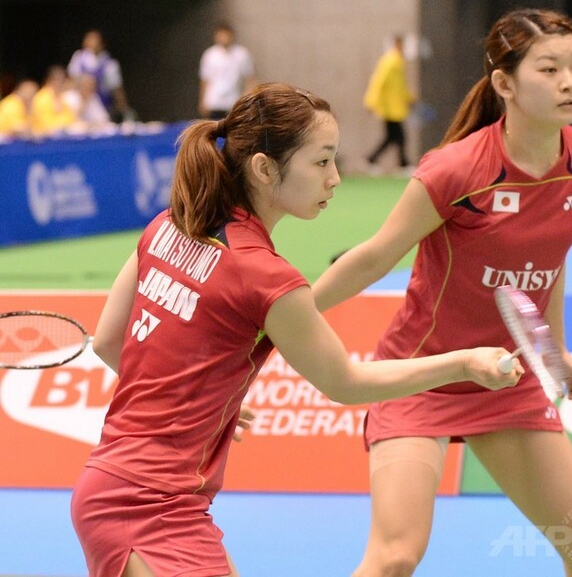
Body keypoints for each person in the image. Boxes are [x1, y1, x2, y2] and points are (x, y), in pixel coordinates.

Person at [69, 82, 522, 577]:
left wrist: (203, 399)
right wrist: (464, 363)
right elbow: (345, 383)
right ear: (265, 168)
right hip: (148, 503)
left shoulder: (166, 226)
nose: (336, 178)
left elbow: (109, 341)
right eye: (321, 161)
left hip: (118, 486)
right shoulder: (265, 276)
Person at [313, 9, 572, 576]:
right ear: (505, 83)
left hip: (506, 378)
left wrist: (554, 351)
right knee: (395, 556)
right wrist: (284, 317)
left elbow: (549, 260)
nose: (569, 83)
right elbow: (376, 256)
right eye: (549, 69)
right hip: (420, 376)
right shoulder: (457, 170)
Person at [364, 34, 414, 173]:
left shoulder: (398, 61)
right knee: (399, 136)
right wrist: (372, 101)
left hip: (396, 106)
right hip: (390, 107)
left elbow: (400, 85)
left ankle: (371, 159)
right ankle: (402, 164)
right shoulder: (390, 61)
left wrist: (408, 98)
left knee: (392, 137)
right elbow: (378, 82)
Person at [67, 29, 133, 123]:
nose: (91, 43)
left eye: (94, 41)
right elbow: (71, 81)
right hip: (80, 101)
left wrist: (124, 109)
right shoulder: (79, 58)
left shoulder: (109, 64)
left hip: (101, 103)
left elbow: (117, 89)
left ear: (101, 44)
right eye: (88, 40)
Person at [198, 23, 257, 120]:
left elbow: (250, 78)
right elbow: (205, 79)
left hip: (233, 103)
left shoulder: (241, 54)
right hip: (214, 103)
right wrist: (202, 101)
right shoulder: (210, 55)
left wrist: (251, 100)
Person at [31, 65, 77, 137]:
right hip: (43, 139)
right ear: (49, 81)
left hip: (62, 136)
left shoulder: (63, 98)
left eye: (62, 81)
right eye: (57, 80)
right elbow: (45, 124)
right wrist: (62, 123)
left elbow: (71, 118)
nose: (60, 84)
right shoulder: (41, 98)